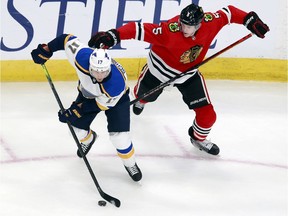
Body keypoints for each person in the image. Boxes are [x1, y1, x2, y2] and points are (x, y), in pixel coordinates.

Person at [88, 4, 269, 156]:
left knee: (208, 116)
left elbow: (228, 13)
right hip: (158, 73)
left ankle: (198, 138)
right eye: (182, 24)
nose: (184, 29)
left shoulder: (210, 22)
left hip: (188, 76)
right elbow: (138, 30)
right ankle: (142, 100)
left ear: (199, 24)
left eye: (189, 26)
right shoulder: (168, 30)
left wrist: (249, 19)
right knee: (142, 97)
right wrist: (113, 36)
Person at [31, 34, 142, 182]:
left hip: (117, 100)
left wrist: (75, 111)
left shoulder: (115, 84)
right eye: (96, 71)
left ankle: (130, 164)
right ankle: (89, 139)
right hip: (88, 94)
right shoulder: (82, 57)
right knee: (75, 131)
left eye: (103, 71)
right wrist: (47, 49)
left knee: (120, 139)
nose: (100, 75)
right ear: (90, 65)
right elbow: (66, 40)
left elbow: (98, 105)